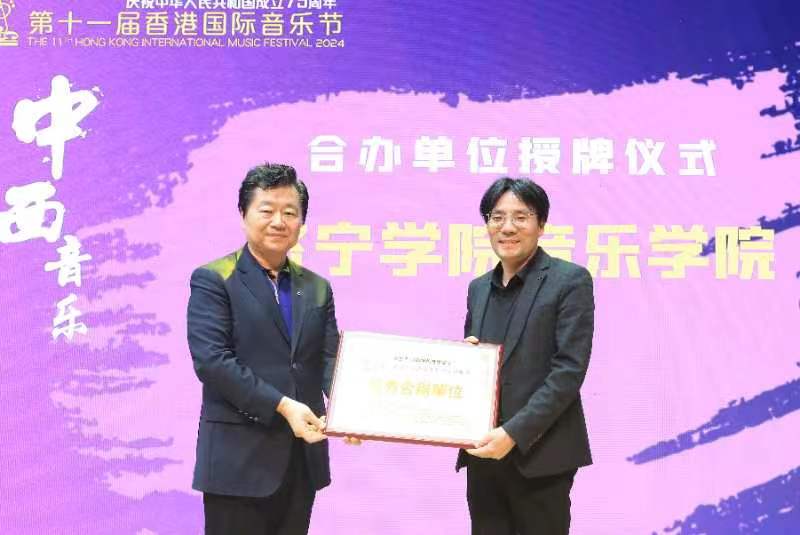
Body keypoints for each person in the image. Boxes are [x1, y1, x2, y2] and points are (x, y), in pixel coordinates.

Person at [187, 163, 339, 534]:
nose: (279, 222)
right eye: (266, 210)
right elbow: (212, 361)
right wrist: (282, 405)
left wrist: (351, 412)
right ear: (243, 214)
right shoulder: (214, 278)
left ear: (302, 222)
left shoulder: (317, 287)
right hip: (237, 462)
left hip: (300, 462)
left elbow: (330, 359)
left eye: (290, 213)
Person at [458, 177, 595, 535]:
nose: (507, 227)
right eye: (497, 217)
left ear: (541, 225)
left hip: (539, 457)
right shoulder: (478, 289)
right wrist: (464, 363)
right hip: (483, 454)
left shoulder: (569, 281)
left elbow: (568, 371)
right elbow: (476, 367)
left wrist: (513, 433)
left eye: (521, 217)